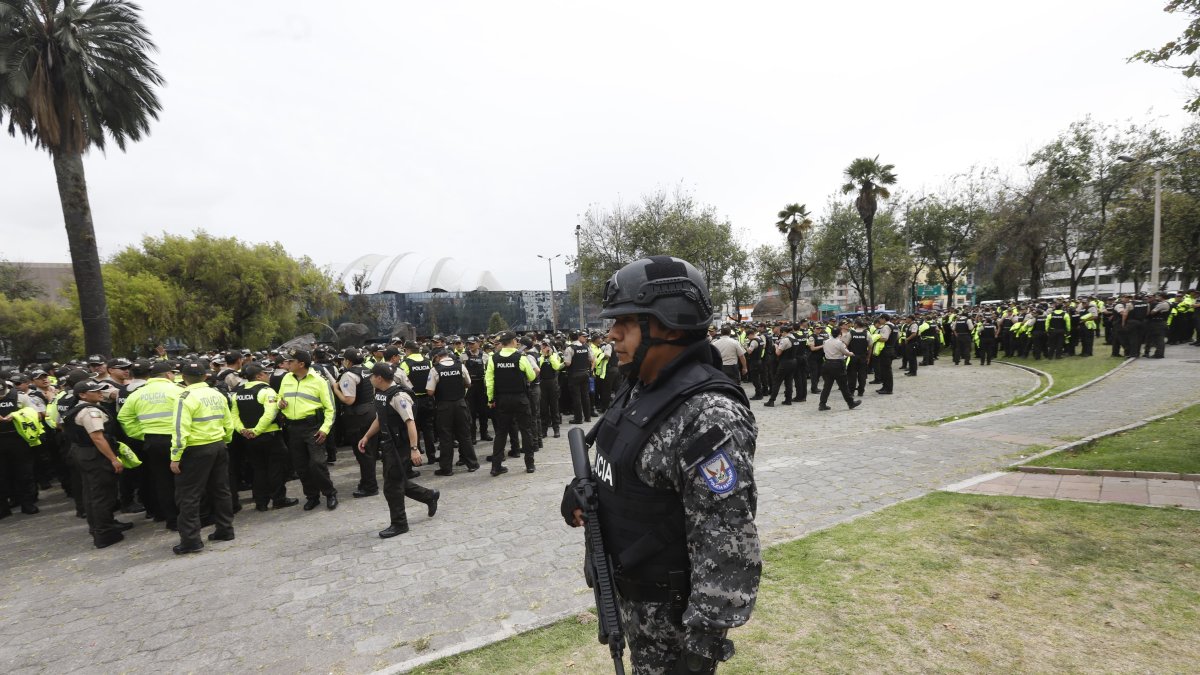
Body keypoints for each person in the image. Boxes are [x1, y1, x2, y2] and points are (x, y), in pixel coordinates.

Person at [561, 255, 759, 674]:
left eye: (626, 322)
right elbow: (625, 469)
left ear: (668, 324)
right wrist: (583, 492)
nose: (611, 335)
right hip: (632, 603)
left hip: (675, 626)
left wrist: (701, 648)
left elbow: (726, 540)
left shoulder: (708, 414)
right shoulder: (638, 388)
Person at [358, 363, 439, 538]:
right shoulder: (382, 395)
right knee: (397, 481)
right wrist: (366, 436)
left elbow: (410, 422)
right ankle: (429, 496)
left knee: (392, 487)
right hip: (389, 445)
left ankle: (400, 524)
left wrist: (414, 449)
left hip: (400, 447)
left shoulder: (399, 396)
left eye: (371, 376)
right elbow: (381, 418)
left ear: (379, 377)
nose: (370, 379)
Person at [169, 359, 237, 555]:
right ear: (205, 376)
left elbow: (180, 430)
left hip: (195, 450)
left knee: (188, 496)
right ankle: (225, 530)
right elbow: (228, 421)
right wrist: (226, 440)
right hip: (218, 445)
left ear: (183, 378)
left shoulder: (185, 397)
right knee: (221, 490)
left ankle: (191, 540)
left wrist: (175, 456)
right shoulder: (216, 394)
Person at [116, 359, 182, 529]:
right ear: (168, 374)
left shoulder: (137, 393)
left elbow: (123, 417)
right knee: (184, 479)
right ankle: (187, 516)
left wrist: (141, 435)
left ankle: (171, 520)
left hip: (152, 441)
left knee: (162, 481)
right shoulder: (177, 391)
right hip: (177, 439)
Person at [63, 381, 129, 547]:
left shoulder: (77, 408)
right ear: (83, 395)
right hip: (94, 454)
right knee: (102, 494)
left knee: (92, 492)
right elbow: (97, 437)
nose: (100, 393)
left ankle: (102, 526)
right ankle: (104, 533)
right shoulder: (90, 411)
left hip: (82, 453)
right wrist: (113, 459)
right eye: (95, 391)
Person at [277, 350, 338, 512]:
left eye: (290, 362)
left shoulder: (319, 381)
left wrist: (325, 429)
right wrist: (279, 403)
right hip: (293, 427)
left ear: (301, 364)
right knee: (301, 466)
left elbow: (330, 408)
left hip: (313, 427)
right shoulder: (286, 379)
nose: (287, 365)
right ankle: (312, 497)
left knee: (317, 464)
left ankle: (330, 493)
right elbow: (279, 397)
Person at [231, 364, 298, 511]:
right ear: (259, 376)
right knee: (276, 469)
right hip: (269, 436)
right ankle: (279, 499)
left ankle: (261, 502)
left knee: (259, 469)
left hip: (248, 438)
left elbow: (234, 416)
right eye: (266, 374)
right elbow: (270, 414)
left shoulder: (238, 393)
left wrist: (243, 430)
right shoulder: (267, 391)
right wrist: (257, 430)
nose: (268, 376)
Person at [485, 331, 538, 476]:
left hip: (502, 399)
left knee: (501, 432)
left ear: (502, 343)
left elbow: (489, 381)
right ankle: (530, 465)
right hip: (520, 398)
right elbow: (532, 375)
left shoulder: (493, 358)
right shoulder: (520, 357)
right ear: (514, 341)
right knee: (525, 431)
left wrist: (490, 399)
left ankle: (496, 467)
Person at [331, 348, 380, 498]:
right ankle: (367, 482)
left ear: (348, 361)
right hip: (371, 411)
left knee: (363, 452)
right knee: (370, 450)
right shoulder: (367, 370)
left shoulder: (349, 374)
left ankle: (370, 486)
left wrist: (336, 389)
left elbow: (349, 399)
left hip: (358, 417)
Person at [425, 348, 480, 475]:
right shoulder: (460, 366)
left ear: (438, 357)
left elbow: (430, 391)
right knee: (465, 435)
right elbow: (469, 383)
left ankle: (446, 468)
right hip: (460, 404)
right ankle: (472, 464)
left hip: (444, 406)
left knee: (446, 437)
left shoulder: (435, 369)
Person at [818, 323, 862, 411]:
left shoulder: (825, 342)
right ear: (839, 333)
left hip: (827, 364)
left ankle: (822, 404)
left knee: (827, 386)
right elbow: (846, 353)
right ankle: (851, 403)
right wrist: (851, 353)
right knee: (843, 386)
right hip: (838, 364)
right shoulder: (839, 343)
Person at [562, 331, 594, 424]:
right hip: (585, 373)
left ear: (570, 338)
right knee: (585, 396)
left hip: (574, 375)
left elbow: (568, 363)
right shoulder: (587, 347)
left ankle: (578, 419)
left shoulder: (570, 348)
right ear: (578, 337)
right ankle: (588, 417)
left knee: (576, 397)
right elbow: (592, 358)